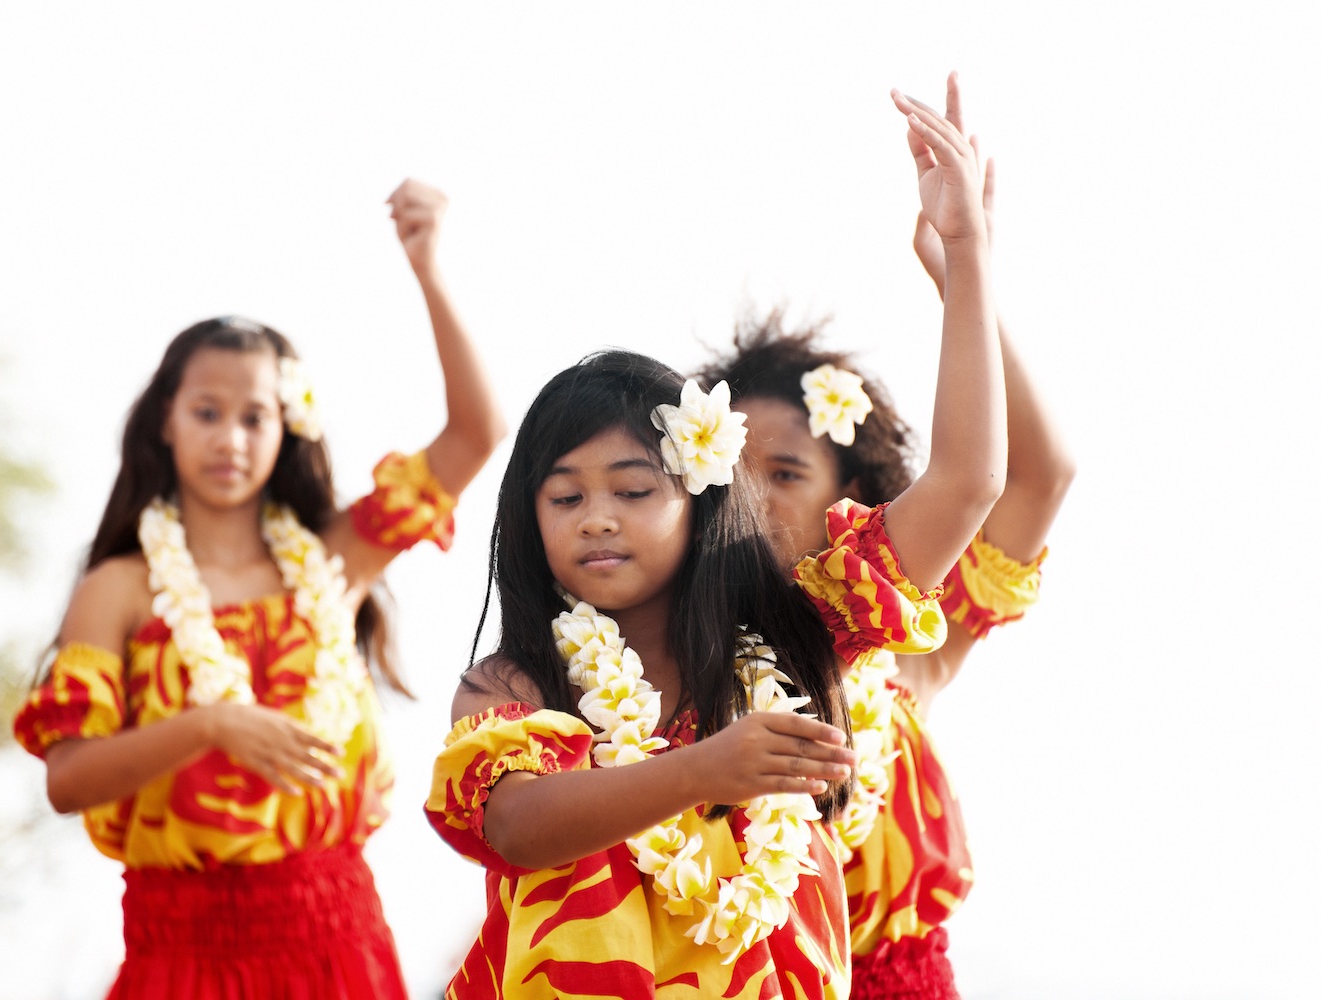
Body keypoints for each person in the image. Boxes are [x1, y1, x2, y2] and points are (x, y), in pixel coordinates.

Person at [424, 82, 1002, 1000]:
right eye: (563, 496)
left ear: (698, 500)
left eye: (633, 490)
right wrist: (704, 769)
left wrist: (966, 258)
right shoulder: (516, 680)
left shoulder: (794, 637)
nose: (597, 517)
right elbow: (521, 826)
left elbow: (970, 482)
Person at [13, 178, 506, 1000]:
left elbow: (474, 434)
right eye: (208, 412)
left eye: (255, 417)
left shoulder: (335, 561)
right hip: (180, 949)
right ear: (165, 419)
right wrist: (211, 726)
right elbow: (68, 780)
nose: (231, 439)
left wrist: (430, 271)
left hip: (337, 942)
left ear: (286, 431)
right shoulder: (121, 587)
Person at [698, 75, 1075, 1000]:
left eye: (784, 473)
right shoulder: (674, 646)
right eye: (731, 470)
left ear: (856, 499)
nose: (753, 498)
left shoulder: (909, 639)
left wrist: (964, 275)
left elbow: (1037, 475)